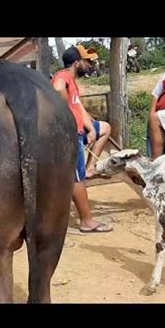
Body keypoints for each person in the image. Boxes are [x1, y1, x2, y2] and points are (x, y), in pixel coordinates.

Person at [52, 45, 112, 233]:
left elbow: (79, 108)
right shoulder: (63, 77)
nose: (90, 65)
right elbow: (57, 88)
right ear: (77, 63)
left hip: (79, 129)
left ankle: (90, 166)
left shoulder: (73, 80)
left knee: (104, 128)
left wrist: (89, 127)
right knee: (75, 179)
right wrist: (65, 113)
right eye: (87, 62)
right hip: (70, 134)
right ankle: (86, 221)